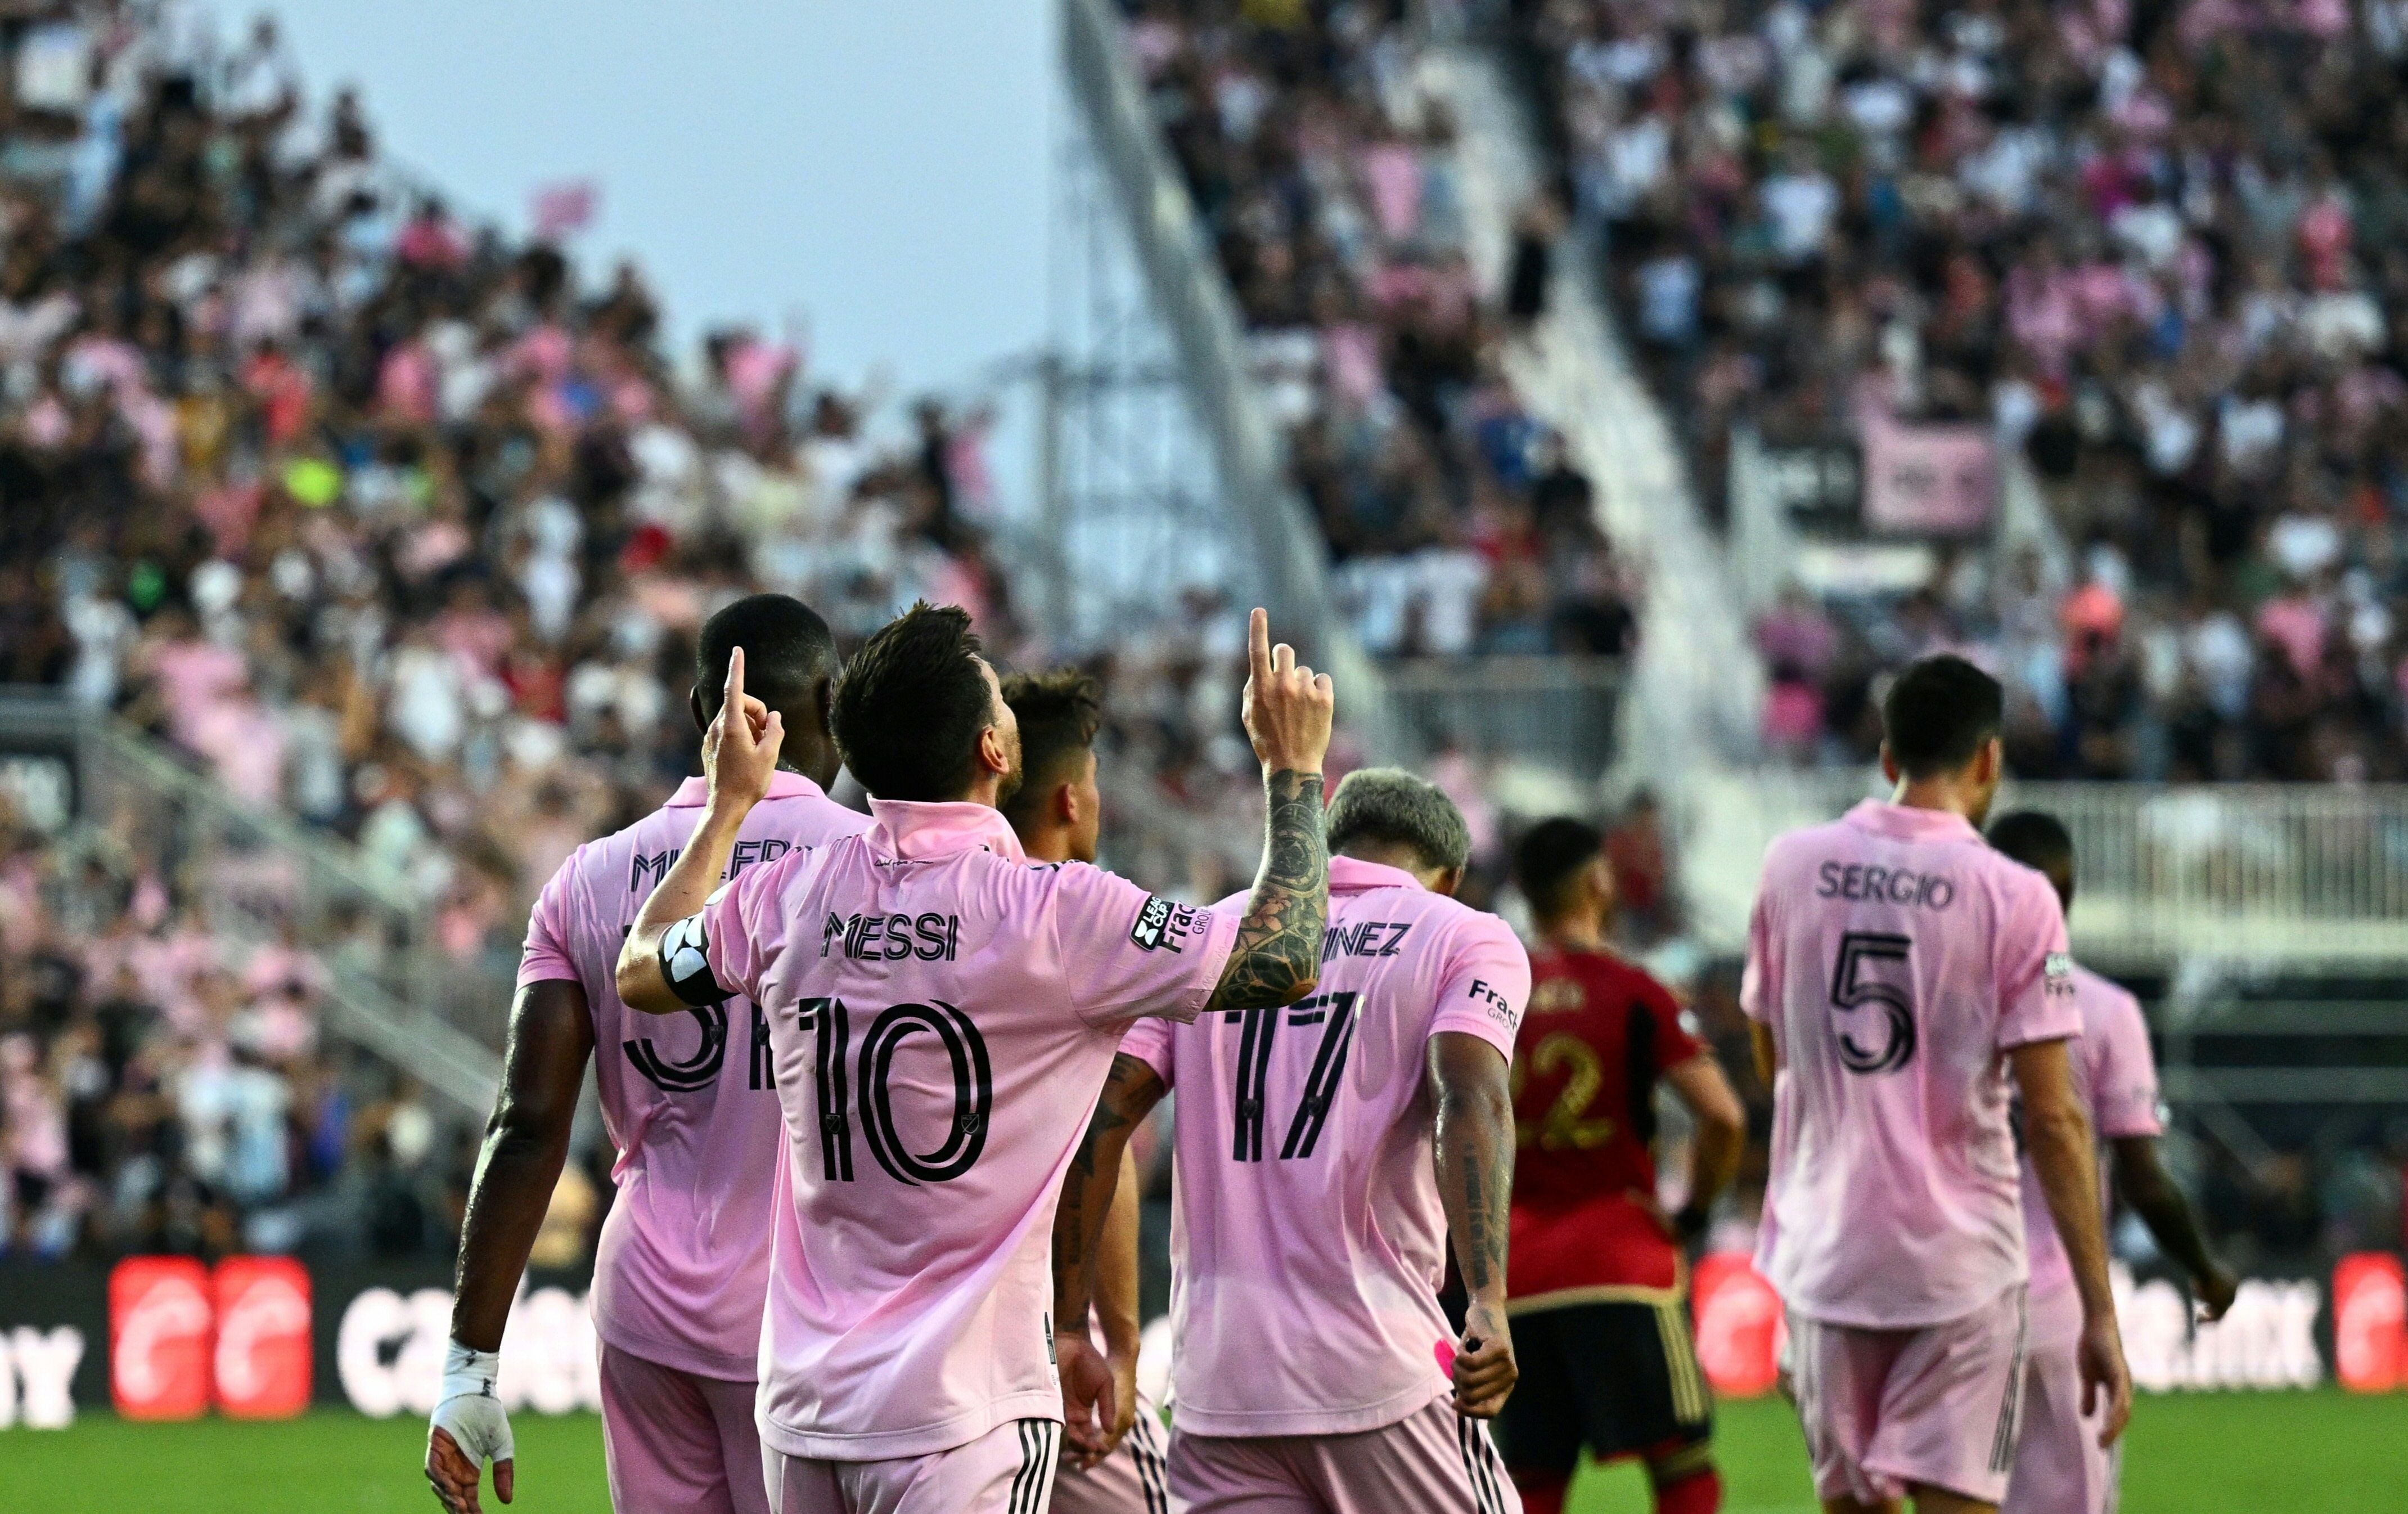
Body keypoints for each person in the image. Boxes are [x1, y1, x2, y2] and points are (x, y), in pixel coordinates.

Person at [614, 603, 1334, 1514]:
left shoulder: (788, 892)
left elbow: (641, 969)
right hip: (962, 1417)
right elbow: (1284, 956)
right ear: (995, 749)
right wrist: (1294, 770)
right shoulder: (1058, 914)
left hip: (802, 1414)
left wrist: (726, 809)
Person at [427, 594, 870, 1514]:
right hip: (810, 1312)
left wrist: (468, 1370)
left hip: (648, 1302)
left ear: (697, 718)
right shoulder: (878, 871)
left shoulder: (586, 880)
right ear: (833, 704)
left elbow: (527, 1125)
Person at [1055, 767, 1530, 1514]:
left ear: (1328, 845)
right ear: (1451, 874)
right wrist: (1488, 1297)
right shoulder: (1462, 932)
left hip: (1218, 1386)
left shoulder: (1213, 933)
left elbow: (1098, 1118)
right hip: (1376, 1364)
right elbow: (1470, 1095)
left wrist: (1071, 1321)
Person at [1741, 654, 2132, 1514]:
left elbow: (1773, 1059)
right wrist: (2100, 1312)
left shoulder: (1788, 866)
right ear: (1988, 759)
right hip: (1960, 1268)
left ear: (1887, 757)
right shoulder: (2022, 896)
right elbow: (2058, 1116)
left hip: (1827, 1257)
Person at [1986, 810, 2236, 1514]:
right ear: (2067, 897)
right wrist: (2203, 1267)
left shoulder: (1946, 998)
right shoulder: (2105, 1007)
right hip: (2061, 1300)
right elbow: (2145, 1180)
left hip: (1956, 1290)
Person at [1498, 818, 1748, 1514]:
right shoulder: (1634, 987)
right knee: (1682, 1467)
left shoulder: (1495, 990)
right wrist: (1693, 1213)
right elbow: (1724, 1115)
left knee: (1531, 1482)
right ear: (1598, 882)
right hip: (1620, 1260)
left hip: (1517, 1273)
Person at [1000, 668, 1173, 1514]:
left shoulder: (888, 913)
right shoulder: (1086, 924)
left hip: (864, 1364)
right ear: (1070, 799)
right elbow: (1097, 1148)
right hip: (1033, 1344)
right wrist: (1114, 1338)